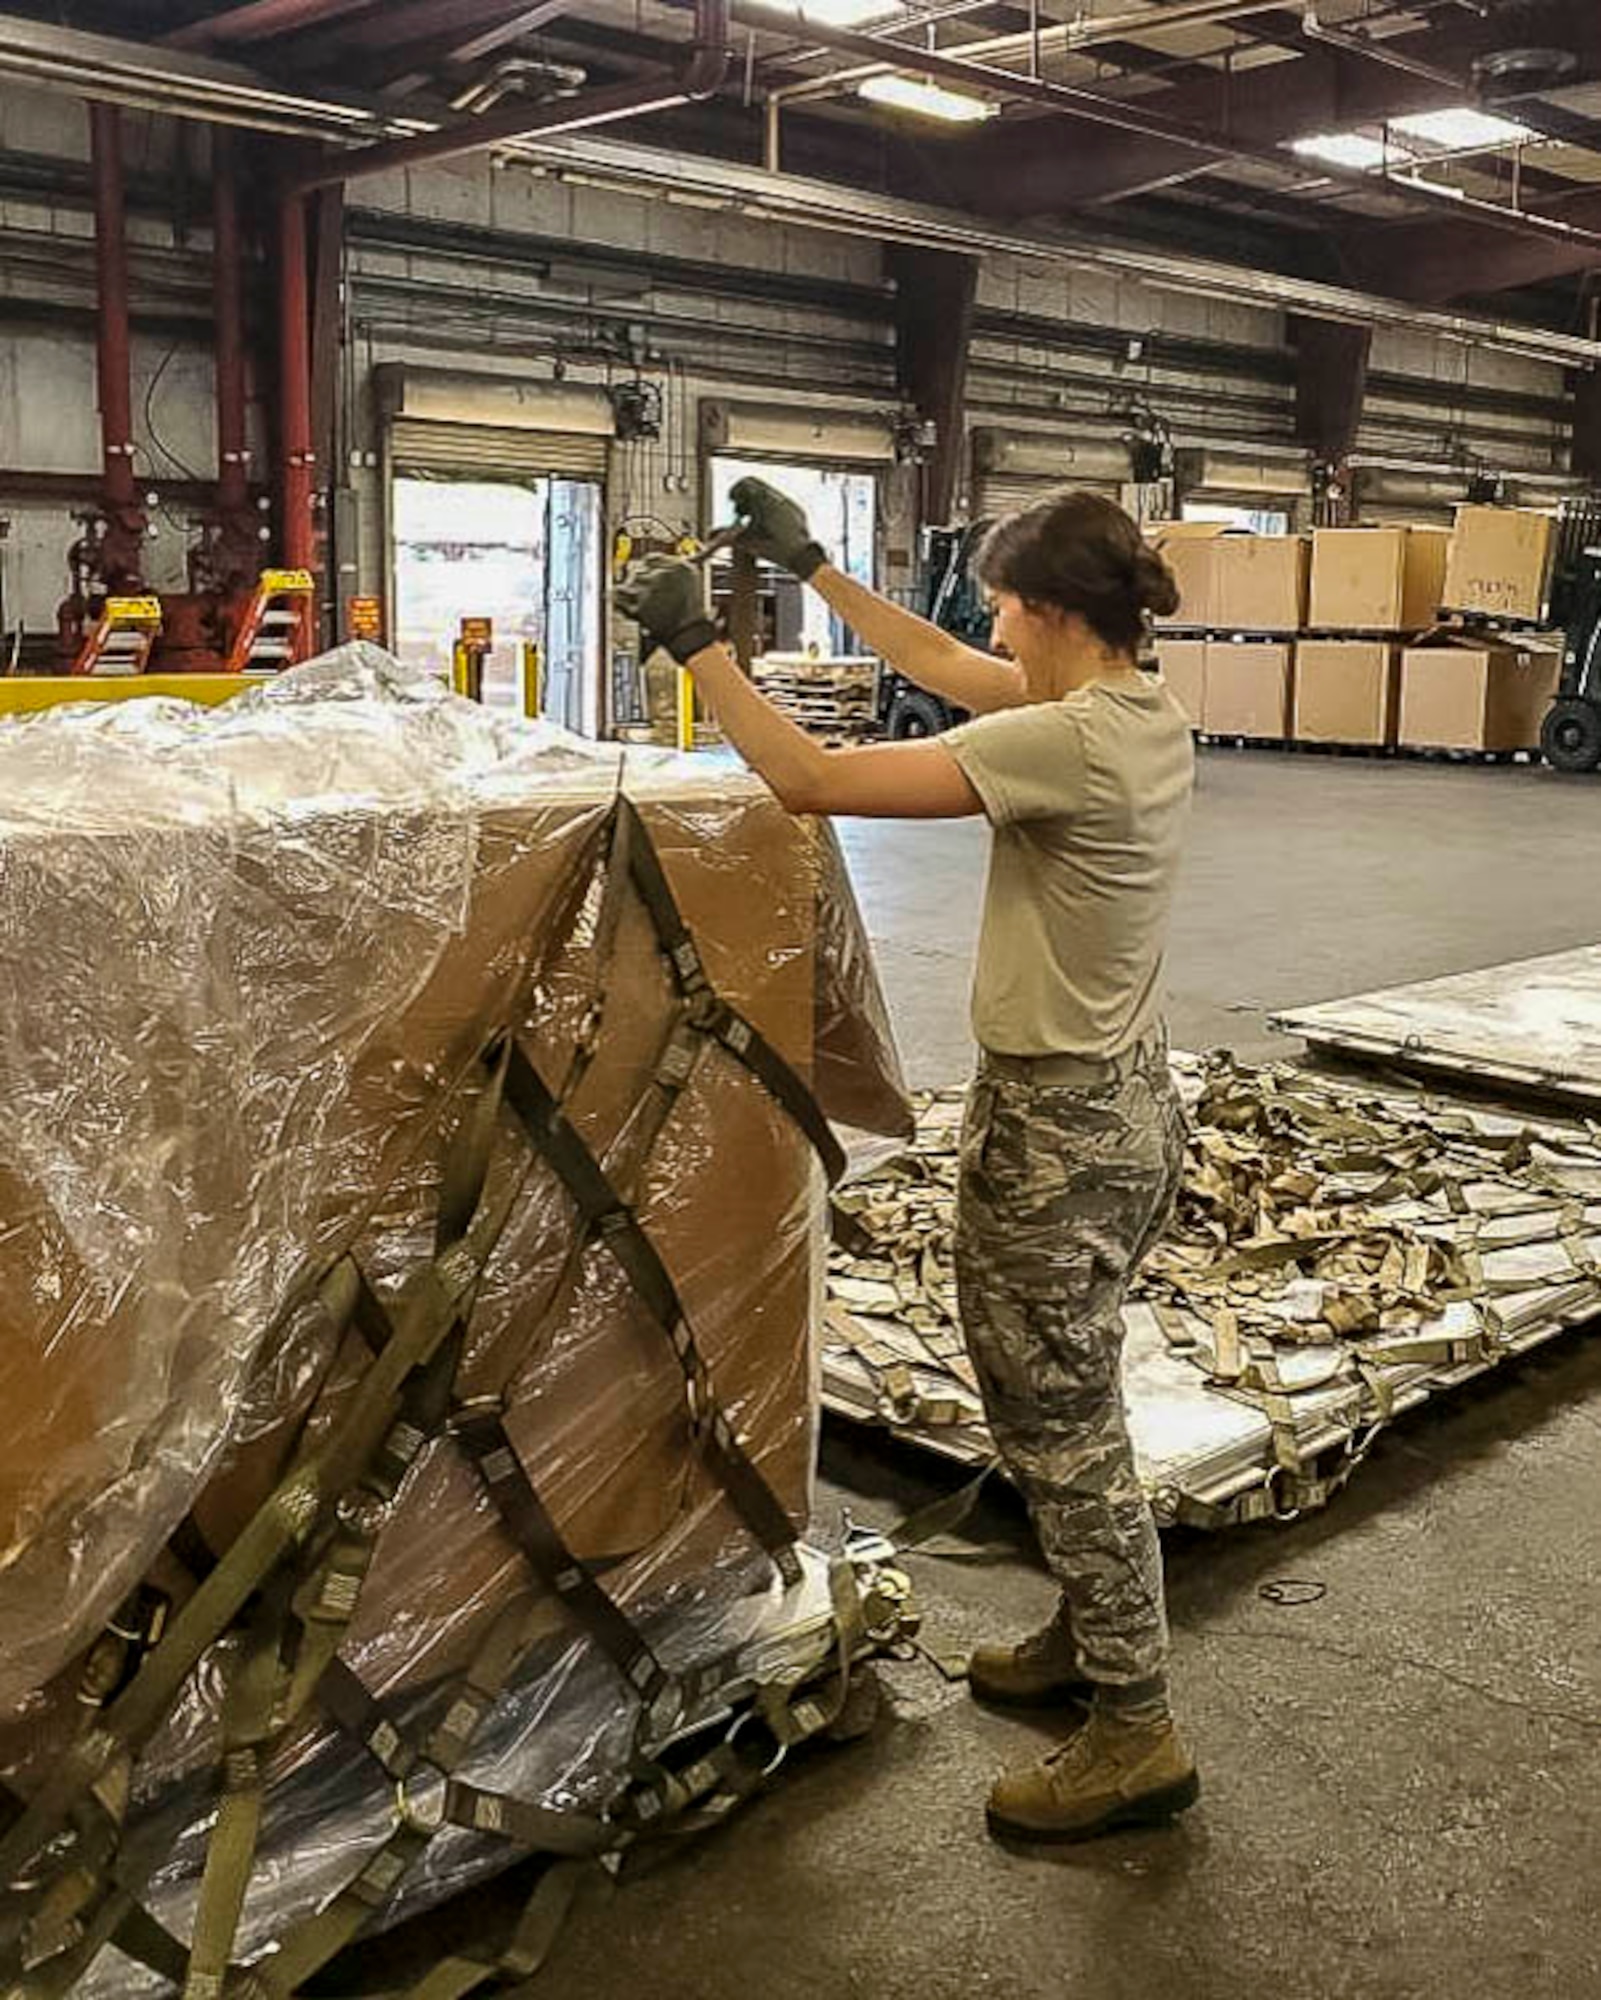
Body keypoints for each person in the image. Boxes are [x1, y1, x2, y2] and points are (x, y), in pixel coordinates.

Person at [618, 477, 1197, 1844]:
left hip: (1061, 1135)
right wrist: (814, 566)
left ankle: (1135, 1727)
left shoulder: (1071, 748)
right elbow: (941, 667)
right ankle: (1089, 1628)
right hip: (1112, 1109)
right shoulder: (1132, 710)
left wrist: (700, 646)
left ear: (1055, 615)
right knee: (1063, 1399)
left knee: (1058, 1424)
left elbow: (815, 781)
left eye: (1006, 603)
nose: (990, 623)